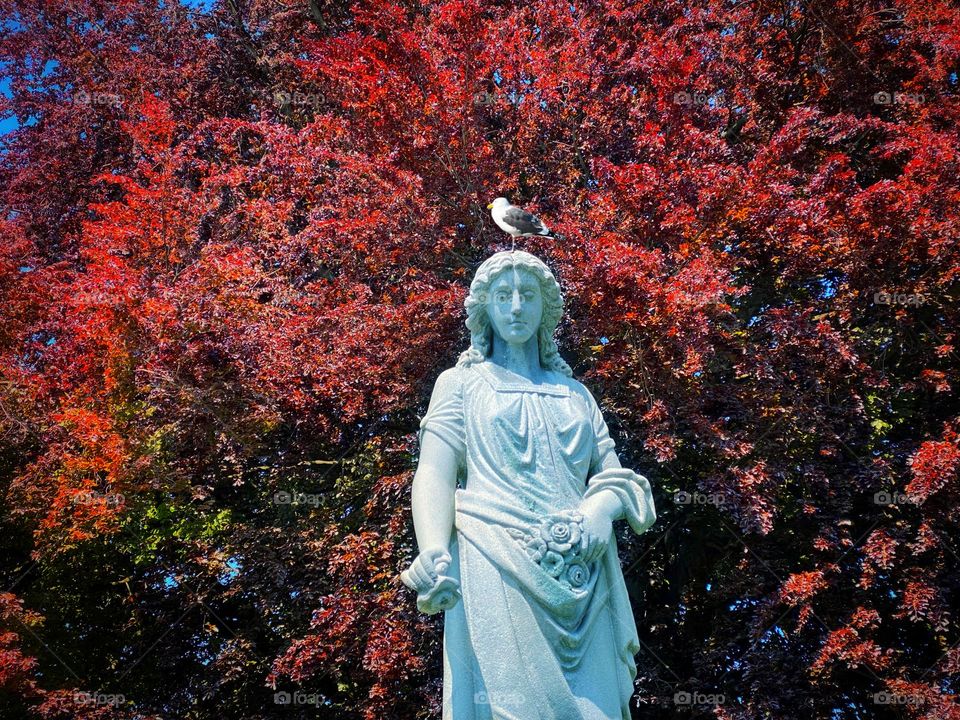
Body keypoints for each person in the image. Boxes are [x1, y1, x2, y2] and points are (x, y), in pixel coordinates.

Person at [401, 250, 656, 719]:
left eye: (527, 295)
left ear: (545, 308)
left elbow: (619, 480)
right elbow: (435, 471)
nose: (516, 306)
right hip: (493, 556)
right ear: (485, 308)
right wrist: (433, 550)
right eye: (503, 295)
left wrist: (600, 509)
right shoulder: (460, 385)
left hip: (584, 571)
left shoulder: (576, 394)